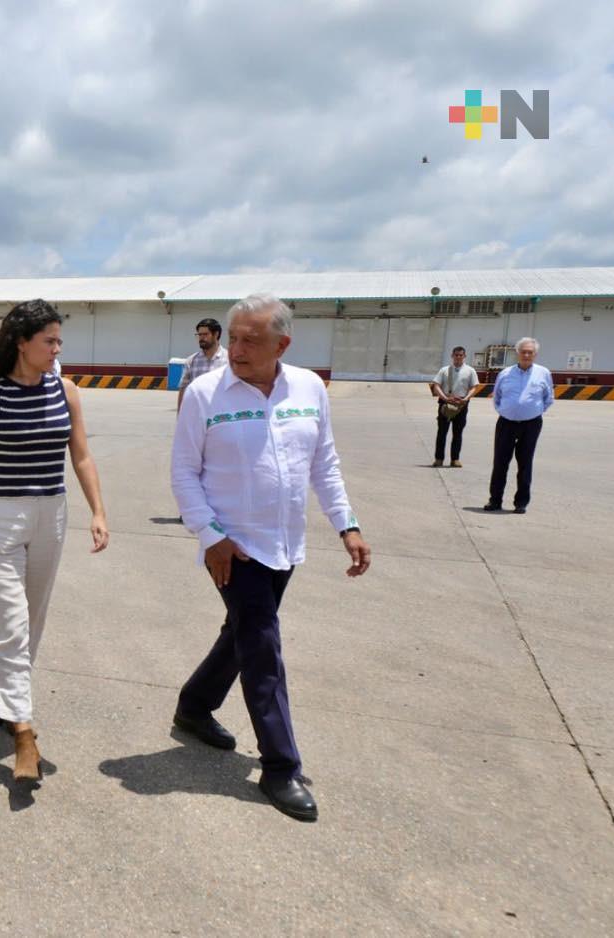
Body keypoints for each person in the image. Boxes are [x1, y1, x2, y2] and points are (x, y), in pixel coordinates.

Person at [170, 293, 371, 822]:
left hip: (285, 543)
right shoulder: (204, 394)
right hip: (233, 545)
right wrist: (209, 535)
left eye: (249, 340)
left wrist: (346, 524)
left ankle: (194, 706)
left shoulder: (308, 388)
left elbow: (323, 463)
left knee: (241, 633)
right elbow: (184, 473)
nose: (235, 348)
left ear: (282, 343)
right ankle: (280, 766)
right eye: (232, 337)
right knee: (263, 649)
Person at [0, 300, 110, 784]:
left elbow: (80, 456)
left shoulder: (68, 391)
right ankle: (24, 733)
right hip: (1, 516)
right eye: (49, 341)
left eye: (59, 341)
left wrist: (98, 510)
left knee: (33, 619)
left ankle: (6, 697)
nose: (57, 349)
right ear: (22, 342)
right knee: (13, 624)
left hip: (50, 514)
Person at [485, 337, 553, 514]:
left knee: (525, 463)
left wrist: (533, 411)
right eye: (523, 351)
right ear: (517, 353)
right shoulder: (505, 373)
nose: (527, 355)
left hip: (531, 425)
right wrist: (506, 410)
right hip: (506, 423)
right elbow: (497, 396)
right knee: (500, 462)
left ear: (535, 354)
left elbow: (548, 398)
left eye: (530, 352)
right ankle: (495, 500)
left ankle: (521, 503)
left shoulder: (543, 373)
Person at [429, 346, 479, 467]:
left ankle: (455, 459)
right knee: (442, 432)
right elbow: (436, 385)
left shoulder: (470, 371)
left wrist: (465, 399)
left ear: (464, 356)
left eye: (461, 355)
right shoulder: (444, 370)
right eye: (456, 355)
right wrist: (445, 398)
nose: (458, 357)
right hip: (445, 404)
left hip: (461, 405)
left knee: (457, 433)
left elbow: (474, 387)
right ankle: (439, 458)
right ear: (452, 356)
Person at [176, 318, 228, 411]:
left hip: (222, 414)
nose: (201, 338)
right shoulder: (191, 361)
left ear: (216, 334)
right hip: (197, 414)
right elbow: (184, 390)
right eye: (199, 334)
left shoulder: (229, 360)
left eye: (205, 334)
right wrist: (180, 417)